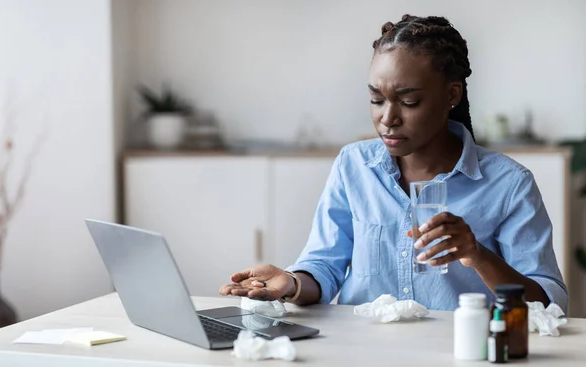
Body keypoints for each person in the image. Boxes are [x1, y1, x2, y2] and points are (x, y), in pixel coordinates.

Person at [219, 14, 568, 312]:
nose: (388, 118)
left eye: (409, 101)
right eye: (376, 99)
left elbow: (549, 305)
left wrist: (478, 255)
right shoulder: (353, 165)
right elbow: (324, 267)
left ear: (451, 95)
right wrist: (291, 283)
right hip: (364, 352)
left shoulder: (509, 185)